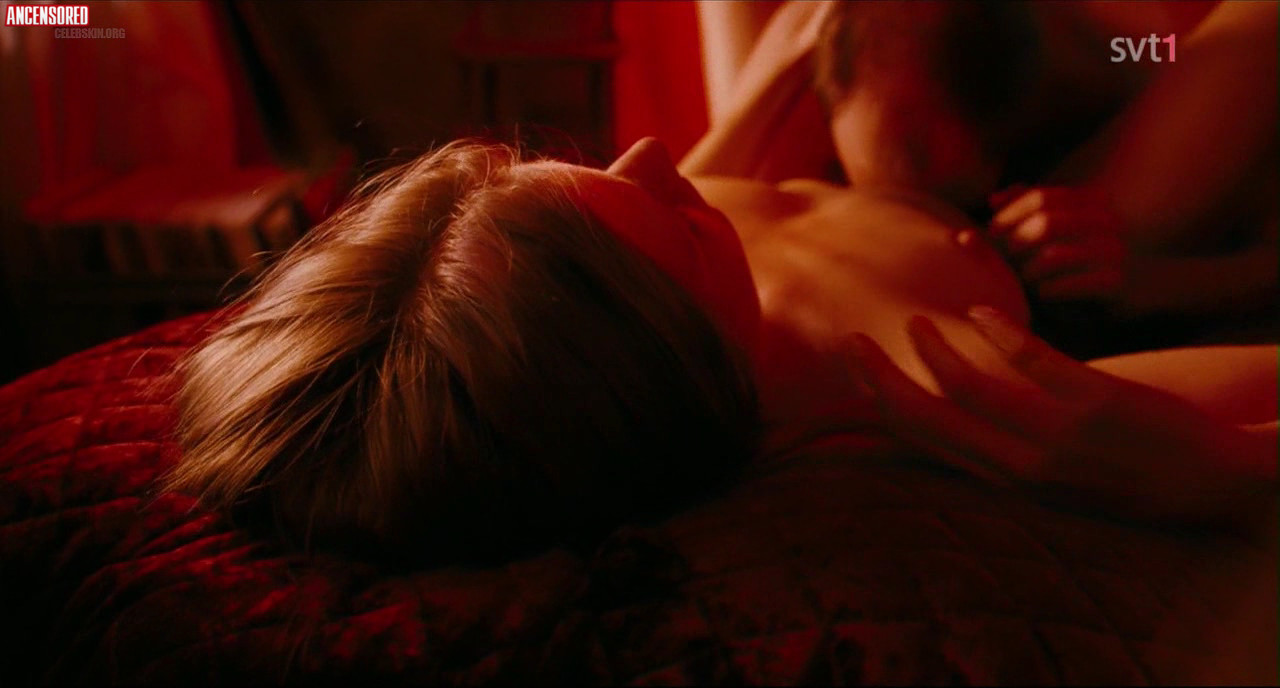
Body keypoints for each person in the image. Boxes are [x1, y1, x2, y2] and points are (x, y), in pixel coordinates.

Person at [684, 1, 1278, 353]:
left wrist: (1150, 284)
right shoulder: (825, 33)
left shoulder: (1133, 41)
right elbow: (655, 209)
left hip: (1040, 272)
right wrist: (762, 95)